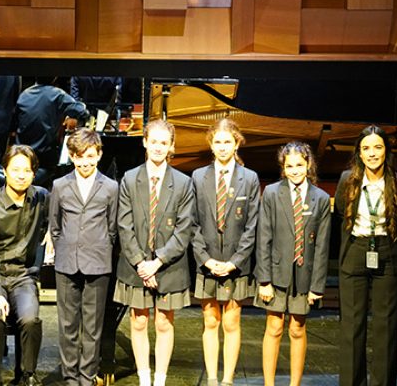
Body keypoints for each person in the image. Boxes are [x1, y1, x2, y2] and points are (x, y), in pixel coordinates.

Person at [114, 120, 195, 386]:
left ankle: (160, 379)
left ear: (171, 146)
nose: (158, 147)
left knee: (163, 322)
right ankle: (144, 378)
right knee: (138, 322)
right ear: (145, 142)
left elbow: (184, 230)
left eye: (164, 142)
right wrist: (141, 263)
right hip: (135, 264)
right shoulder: (129, 178)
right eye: (154, 141)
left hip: (168, 266)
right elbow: (124, 225)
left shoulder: (183, 183)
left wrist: (156, 262)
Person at [335, 126, 397, 386]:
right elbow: (339, 213)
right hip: (356, 251)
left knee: (386, 327)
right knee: (352, 327)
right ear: (359, 152)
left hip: (387, 253)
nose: (372, 153)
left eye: (377, 147)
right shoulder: (347, 180)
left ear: (386, 151)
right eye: (366, 148)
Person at [254, 141, 331, 386]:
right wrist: (263, 280)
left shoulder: (320, 198)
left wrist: (316, 286)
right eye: (290, 166)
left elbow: (322, 246)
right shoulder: (272, 193)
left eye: (299, 165)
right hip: (275, 275)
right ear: (283, 167)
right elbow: (263, 237)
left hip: (304, 277)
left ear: (308, 165)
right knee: (274, 327)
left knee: (297, 328)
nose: (295, 170)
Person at [190, 119, 259, 386]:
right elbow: (191, 222)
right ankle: (211, 378)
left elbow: (253, 225)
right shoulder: (198, 176)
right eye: (217, 142)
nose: (222, 147)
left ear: (236, 143)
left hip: (235, 264)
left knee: (231, 322)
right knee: (210, 320)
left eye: (227, 142)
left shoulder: (249, 178)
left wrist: (234, 262)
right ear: (210, 144)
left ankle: (228, 379)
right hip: (207, 261)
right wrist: (205, 259)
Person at [47, 128, 119, 386]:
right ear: (72, 157)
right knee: (68, 325)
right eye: (80, 157)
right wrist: (66, 247)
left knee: (92, 326)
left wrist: (97, 247)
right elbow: (54, 226)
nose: (85, 162)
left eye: (90, 156)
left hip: (98, 264)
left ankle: (87, 377)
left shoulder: (111, 187)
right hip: (67, 263)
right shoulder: (60, 185)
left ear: (98, 155)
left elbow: (112, 228)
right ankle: (70, 377)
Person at [0, 145, 50, 386]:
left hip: (24, 275)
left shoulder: (41, 197)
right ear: (5, 171)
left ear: (33, 173)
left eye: (27, 170)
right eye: (16, 169)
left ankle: (28, 374)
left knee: (30, 319)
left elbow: (58, 217)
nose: (21, 175)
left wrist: (52, 231)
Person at [14, 77, 91, 185]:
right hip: (44, 157)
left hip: (21, 152)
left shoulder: (24, 94)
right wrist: (71, 115)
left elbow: (16, 122)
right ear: (54, 78)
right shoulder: (57, 94)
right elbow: (82, 111)